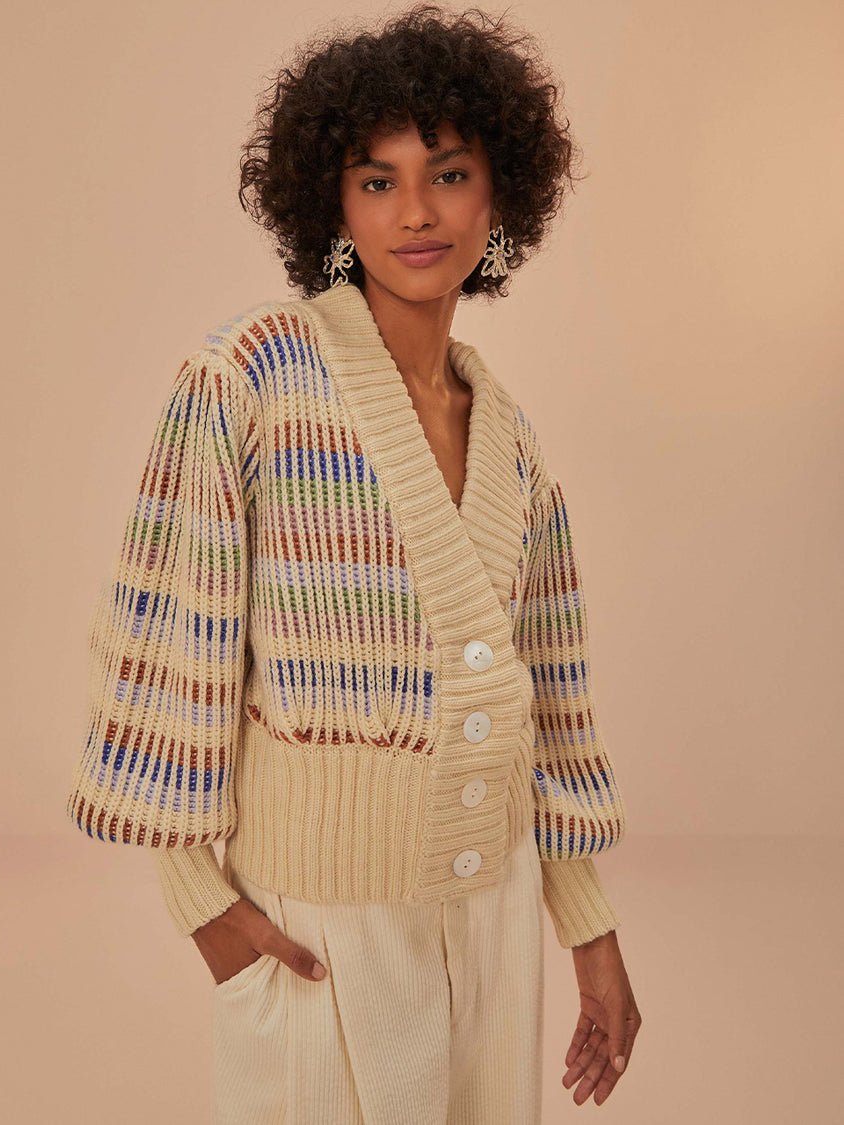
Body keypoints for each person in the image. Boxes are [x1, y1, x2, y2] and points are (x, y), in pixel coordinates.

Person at [65, 4, 642, 1121]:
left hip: (495, 923)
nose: (416, 212)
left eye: (449, 174)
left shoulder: (514, 442)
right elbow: (162, 640)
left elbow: (552, 702)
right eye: (377, 181)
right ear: (333, 205)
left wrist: (590, 927)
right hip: (319, 928)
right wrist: (203, 905)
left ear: (500, 196)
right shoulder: (249, 378)